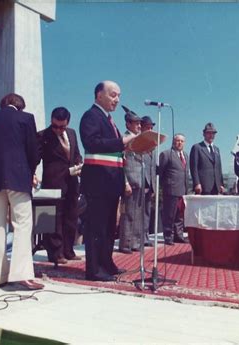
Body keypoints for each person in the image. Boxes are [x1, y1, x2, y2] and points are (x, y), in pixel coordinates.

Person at [0, 93, 43, 290]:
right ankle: (22, 275)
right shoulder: (26, 118)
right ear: (19, 106)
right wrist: (28, 172)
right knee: (22, 224)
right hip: (18, 177)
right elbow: (33, 152)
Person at [79, 80, 135, 282]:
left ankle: (107, 263)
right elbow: (91, 142)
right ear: (99, 95)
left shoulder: (109, 120)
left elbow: (112, 149)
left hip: (112, 182)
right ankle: (94, 270)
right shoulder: (91, 116)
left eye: (119, 95)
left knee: (110, 227)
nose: (117, 99)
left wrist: (126, 146)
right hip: (98, 182)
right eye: (113, 95)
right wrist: (121, 142)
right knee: (97, 227)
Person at [37, 106, 83, 264]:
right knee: (53, 220)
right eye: (55, 126)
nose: (57, 130)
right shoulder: (42, 136)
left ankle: (69, 250)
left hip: (72, 182)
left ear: (67, 123)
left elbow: (76, 153)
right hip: (52, 183)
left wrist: (79, 163)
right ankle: (55, 254)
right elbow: (34, 158)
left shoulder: (72, 133)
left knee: (71, 217)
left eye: (61, 126)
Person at [118, 106, 143, 254]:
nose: (139, 126)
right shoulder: (123, 139)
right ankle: (125, 244)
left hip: (140, 181)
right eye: (136, 123)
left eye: (139, 123)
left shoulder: (139, 139)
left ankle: (134, 242)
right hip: (129, 182)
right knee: (127, 214)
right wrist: (125, 182)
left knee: (138, 214)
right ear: (128, 124)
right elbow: (121, 163)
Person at [159, 134, 190, 245]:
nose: (180, 143)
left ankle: (178, 235)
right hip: (170, 190)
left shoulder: (185, 155)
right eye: (177, 140)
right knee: (169, 215)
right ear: (173, 142)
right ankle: (168, 236)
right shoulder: (166, 154)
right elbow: (161, 173)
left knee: (180, 215)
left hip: (183, 190)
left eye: (182, 141)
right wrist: (165, 186)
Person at [189, 122, 225, 195]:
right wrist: (197, 183)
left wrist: (221, 184)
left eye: (213, 133)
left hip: (216, 187)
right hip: (202, 187)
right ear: (204, 134)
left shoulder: (217, 149)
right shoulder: (197, 147)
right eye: (209, 133)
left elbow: (219, 168)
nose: (211, 135)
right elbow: (193, 168)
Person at [140, 116, 156, 246]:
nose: (150, 129)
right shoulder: (137, 142)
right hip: (140, 183)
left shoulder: (153, 145)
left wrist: (154, 187)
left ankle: (145, 237)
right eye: (147, 127)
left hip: (149, 185)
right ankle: (137, 238)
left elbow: (153, 168)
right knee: (137, 213)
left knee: (146, 213)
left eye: (151, 127)